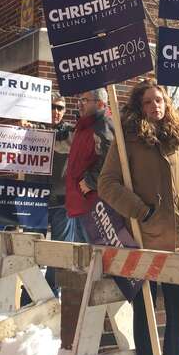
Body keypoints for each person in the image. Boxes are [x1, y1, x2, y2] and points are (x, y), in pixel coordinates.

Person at [98, 79, 179, 355]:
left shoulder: (178, 139)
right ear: (138, 106)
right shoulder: (127, 139)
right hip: (144, 238)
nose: (155, 106)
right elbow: (107, 183)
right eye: (148, 101)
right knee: (146, 308)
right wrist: (140, 210)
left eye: (159, 100)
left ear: (167, 103)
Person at [20, 94, 75, 304]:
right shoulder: (29, 130)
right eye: (52, 107)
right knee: (30, 248)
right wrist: (20, 130)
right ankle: (29, 295)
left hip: (62, 200)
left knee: (59, 250)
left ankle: (52, 292)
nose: (56, 111)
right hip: (35, 199)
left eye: (60, 108)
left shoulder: (70, 132)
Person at [64, 88, 114, 242]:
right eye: (80, 100)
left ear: (100, 104)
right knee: (82, 261)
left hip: (95, 208)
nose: (80, 104)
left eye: (85, 100)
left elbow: (111, 161)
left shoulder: (103, 126)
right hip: (80, 204)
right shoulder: (83, 126)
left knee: (97, 259)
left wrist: (91, 181)